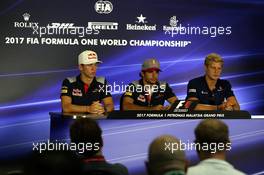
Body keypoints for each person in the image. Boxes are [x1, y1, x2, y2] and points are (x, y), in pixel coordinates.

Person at [60, 50, 114, 114]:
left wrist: (103, 109)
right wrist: (88, 109)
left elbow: (110, 105)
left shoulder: (102, 82)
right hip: (73, 122)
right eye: (89, 65)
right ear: (80, 67)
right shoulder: (69, 82)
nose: (93, 68)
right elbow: (66, 107)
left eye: (95, 65)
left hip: (94, 122)